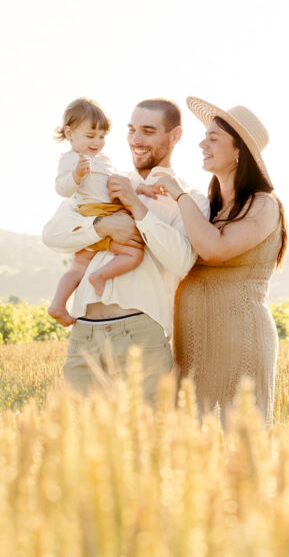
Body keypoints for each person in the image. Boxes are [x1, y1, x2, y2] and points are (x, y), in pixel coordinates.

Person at [42, 98, 210, 401]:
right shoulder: (98, 183)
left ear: (175, 136)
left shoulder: (190, 199)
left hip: (140, 336)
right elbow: (52, 236)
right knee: (78, 430)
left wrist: (137, 208)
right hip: (84, 333)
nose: (136, 139)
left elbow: (182, 262)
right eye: (131, 130)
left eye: (148, 131)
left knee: (147, 429)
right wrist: (101, 227)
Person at [150, 97, 287, 426]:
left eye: (213, 138)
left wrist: (179, 195)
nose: (202, 144)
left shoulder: (263, 205)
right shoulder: (208, 207)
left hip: (240, 340)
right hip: (193, 344)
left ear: (239, 151)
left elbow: (214, 249)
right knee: (192, 440)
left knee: (239, 437)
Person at [47, 98, 162, 326]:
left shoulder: (103, 160)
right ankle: (98, 277)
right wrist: (75, 176)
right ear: (69, 133)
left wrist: (142, 188)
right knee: (133, 253)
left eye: (102, 137)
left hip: (102, 216)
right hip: (97, 214)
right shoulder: (71, 159)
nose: (97, 142)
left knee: (79, 266)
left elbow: (120, 181)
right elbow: (61, 188)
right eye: (90, 136)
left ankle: (57, 306)